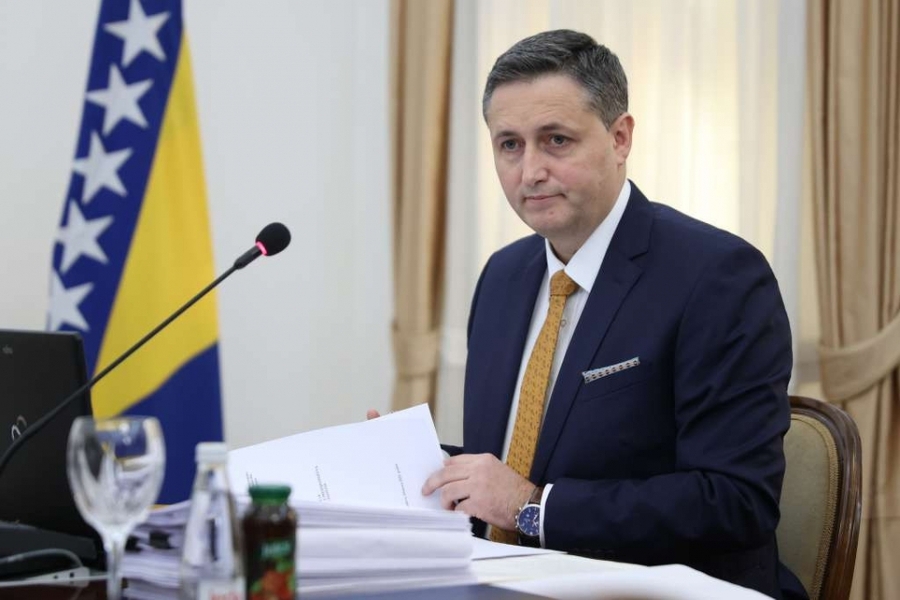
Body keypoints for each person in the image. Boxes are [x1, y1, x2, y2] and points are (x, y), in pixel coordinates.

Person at [374, 29, 805, 599]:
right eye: (509, 145)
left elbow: (734, 501)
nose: (529, 171)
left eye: (556, 140)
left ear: (620, 138)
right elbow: (527, 460)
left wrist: (532, 508)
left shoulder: (718, 276)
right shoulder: (503, 277)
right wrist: (414, 464)